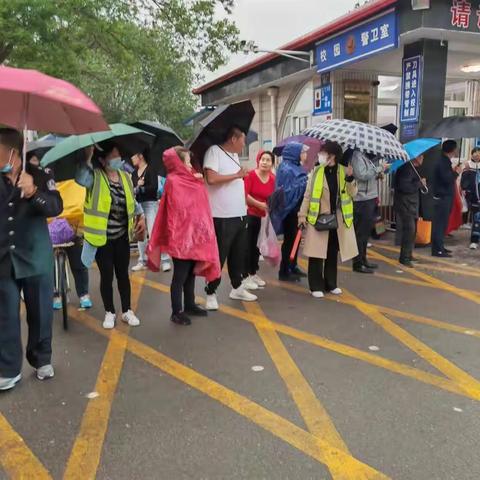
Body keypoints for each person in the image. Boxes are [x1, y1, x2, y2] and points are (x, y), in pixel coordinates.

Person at [0, 128, 63, 390]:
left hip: (35, 255)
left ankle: (41, 358)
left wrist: (33, 191)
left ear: (13, 153)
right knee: (5, 315)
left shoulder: (41, 175)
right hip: (5, 257)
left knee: (40, 312)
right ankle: (8, 368)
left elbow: (55, 207)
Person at [76, 141, 146, 329]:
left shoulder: (125, 176)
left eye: (118, 155)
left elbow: (133, 199)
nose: (118, 159)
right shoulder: (95, 177)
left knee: (123, 275)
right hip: (102, 238)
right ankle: (109, 312)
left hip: (122, 237)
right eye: (113, 156)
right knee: (107, 277)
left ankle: (127, 311)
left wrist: (141, 216)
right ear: (103, 159)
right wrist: (88, 157)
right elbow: (81, 179)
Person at [147, 147, 220, 325]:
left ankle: (189, 304)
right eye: (186, 162)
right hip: (181, 237)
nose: (189, 165)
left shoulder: (191, 178)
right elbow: (180, 208)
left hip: (194, 236)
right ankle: (176, 311)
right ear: (177, 163)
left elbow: (200, 205)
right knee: (180, 276)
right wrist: (195, 182)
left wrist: (197, 182)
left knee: (190, 274)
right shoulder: (174, 180)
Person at [203, 126, 257, 310]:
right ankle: (211, 291)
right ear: (233, 139)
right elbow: (211, 178)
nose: (244, 144)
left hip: (240, 214)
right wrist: (237, 175)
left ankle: (237, 286)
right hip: (222, 215)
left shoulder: (234, 157)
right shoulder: (214, 152)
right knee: (220, 255)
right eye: (243, 140)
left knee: (238, 254)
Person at [298, 141, 358, 297]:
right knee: (317, 253)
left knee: (332, 252)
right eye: (321, 153)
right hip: (318, 218)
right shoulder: (317, 171)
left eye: (324, 153)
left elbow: (352, 194)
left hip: (337, 218)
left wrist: (350, 179)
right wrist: (302, 215)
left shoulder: (344, 171)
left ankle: (331, 283)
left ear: (333, 156)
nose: (321, 156)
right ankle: (315, 286)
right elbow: (308, 195)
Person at [270, 142, 308, 282]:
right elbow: (286, 192)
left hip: (297, 210)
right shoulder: (286, 168)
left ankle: (293, 265)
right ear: (295, 153)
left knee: (296, 240)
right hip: (289, 211)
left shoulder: (297, 167)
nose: (305, 155)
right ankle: (284, 270)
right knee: (289, 241)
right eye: (302, 152)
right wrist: (304, 182)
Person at [130, 149, 171, 272]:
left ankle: (164, 260)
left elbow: (154, 188)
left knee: (155, 232)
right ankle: (142, 260)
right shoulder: (133, 173)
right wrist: (137, 187)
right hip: (138, 205)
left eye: (133, 156)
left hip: (151, 204)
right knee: (141, 234)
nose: (131, 158)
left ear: (140, 156)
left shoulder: (150, 170)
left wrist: (141, 188)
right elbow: (133, 190)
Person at [243, 150, 276, 288]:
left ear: (272, 164)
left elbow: (275, 196)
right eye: (263, 159)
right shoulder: (251, 175)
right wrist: (259, 204)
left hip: (265, 217)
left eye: (268, 160)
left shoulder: (273, 178)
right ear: (258, 160)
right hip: (250, 214)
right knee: (248, 246)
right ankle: (244, 277)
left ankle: (253, 273)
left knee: (258, 247)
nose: (265, 162)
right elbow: (244, 195)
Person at [351, 149, 387, 273]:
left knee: (366, 232)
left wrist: (379, 173)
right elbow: (361, 174)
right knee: (360, 233)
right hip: (361, 199)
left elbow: (369, 175)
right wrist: (378, 168)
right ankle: (357, 263)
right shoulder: (357, 156)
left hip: (371, 197)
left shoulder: (368, 158)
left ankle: (364, 259)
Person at [393, 155, 426, 267]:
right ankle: (404, 257)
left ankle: (409, 254)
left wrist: (420, 184)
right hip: (405, 204)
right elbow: (404, 187)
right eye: (421, 156)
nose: (423, 158)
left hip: (412, 204)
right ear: (415, 158)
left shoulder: (413, 168)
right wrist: (419, 184)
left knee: (413, 230)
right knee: (409, 230)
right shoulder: (406, 168)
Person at [431, 140, 462, 257]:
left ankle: (439, 247)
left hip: (445, 197)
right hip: (443, 197)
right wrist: (456, 173)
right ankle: (437, 250)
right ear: (452, 150)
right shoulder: (442, 162)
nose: (457, 150)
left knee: (442, 224)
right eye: (456, 148)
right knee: (440, 224)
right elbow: (447, 179)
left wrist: (453, 171)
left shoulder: (444, 161)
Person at [461, 147, 480, 249]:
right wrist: (464, 189)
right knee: (476, 217)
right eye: (475, 154)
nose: (477, 155)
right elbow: (464, 180)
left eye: (479, 154)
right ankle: (474, 240)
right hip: (473, 196)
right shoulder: (468, 165)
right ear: (472, 154)